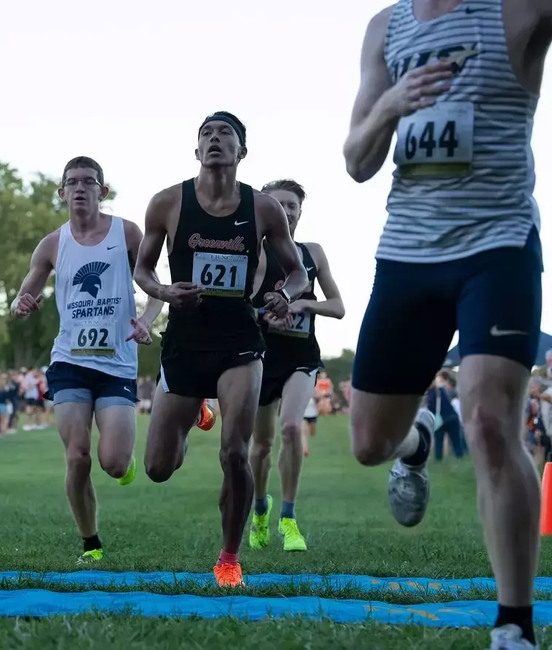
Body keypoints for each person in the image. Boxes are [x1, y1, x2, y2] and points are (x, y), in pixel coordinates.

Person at [343, 1, 550, 647]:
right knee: (371, 445)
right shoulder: (387, 28)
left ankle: (512, 626)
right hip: (407, 252)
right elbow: (356, 159)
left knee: (491, 421)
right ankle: (417, 443)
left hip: (498, 245)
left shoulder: (517, 12)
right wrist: (390, 105)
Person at [133, 112, 308, 587]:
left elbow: (297, 272)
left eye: (225, 134)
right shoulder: (167, 202)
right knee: (157, 468)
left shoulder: (264, 208)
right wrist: (167, 294)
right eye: (206, 134)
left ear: (241, 152)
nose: (215, 140)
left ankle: (229, 558)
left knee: (235, 453)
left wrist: (285, 296)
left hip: (239, 342)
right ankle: (195, 415)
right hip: (186, 342)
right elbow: (143, 271)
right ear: (196, 151)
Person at [12, 156, 162, 563]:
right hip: (70, 362)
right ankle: (90, 541)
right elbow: (23, 294)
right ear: (61, 193)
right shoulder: (52, 244)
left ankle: (124, 460)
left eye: (88, 182)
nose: (80, 188)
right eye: (72, 183)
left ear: (103, 191)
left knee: (112, 463)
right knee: (77, 455)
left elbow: (153, 285)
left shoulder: (126, 233)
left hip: (116, 363)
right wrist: (22, 302)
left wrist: (146, 322)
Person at [248, 179, 345, 553]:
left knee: (291, 427)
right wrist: (264, 317)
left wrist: (304, 305)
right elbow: (236, 305)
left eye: (292, 205)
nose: (285, 210)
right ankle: (260, 510)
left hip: (301, 359)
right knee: (261, 446)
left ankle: (288, 519)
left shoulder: (313, 253)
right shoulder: (253, 253)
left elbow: (338, 307)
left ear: (300, 212)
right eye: (278, 203)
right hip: (259, 357)